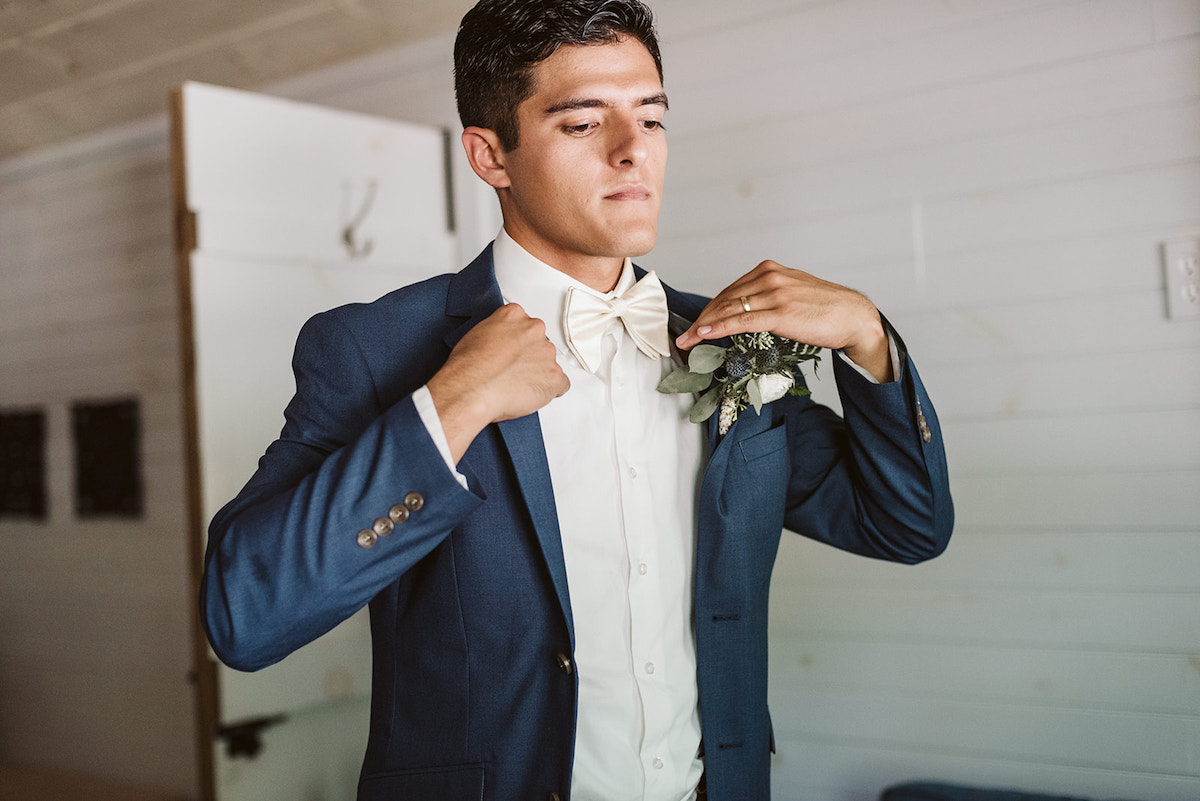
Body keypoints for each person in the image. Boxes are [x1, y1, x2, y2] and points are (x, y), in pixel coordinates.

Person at [199, 1, 954, 799]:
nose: (635, 153)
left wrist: (870, 340)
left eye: (652, 119)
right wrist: (451, 402)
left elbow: (903, 523)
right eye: (584, 124)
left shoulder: (731, 340)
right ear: (491, 156)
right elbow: (245, 616)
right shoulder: (372, 348)